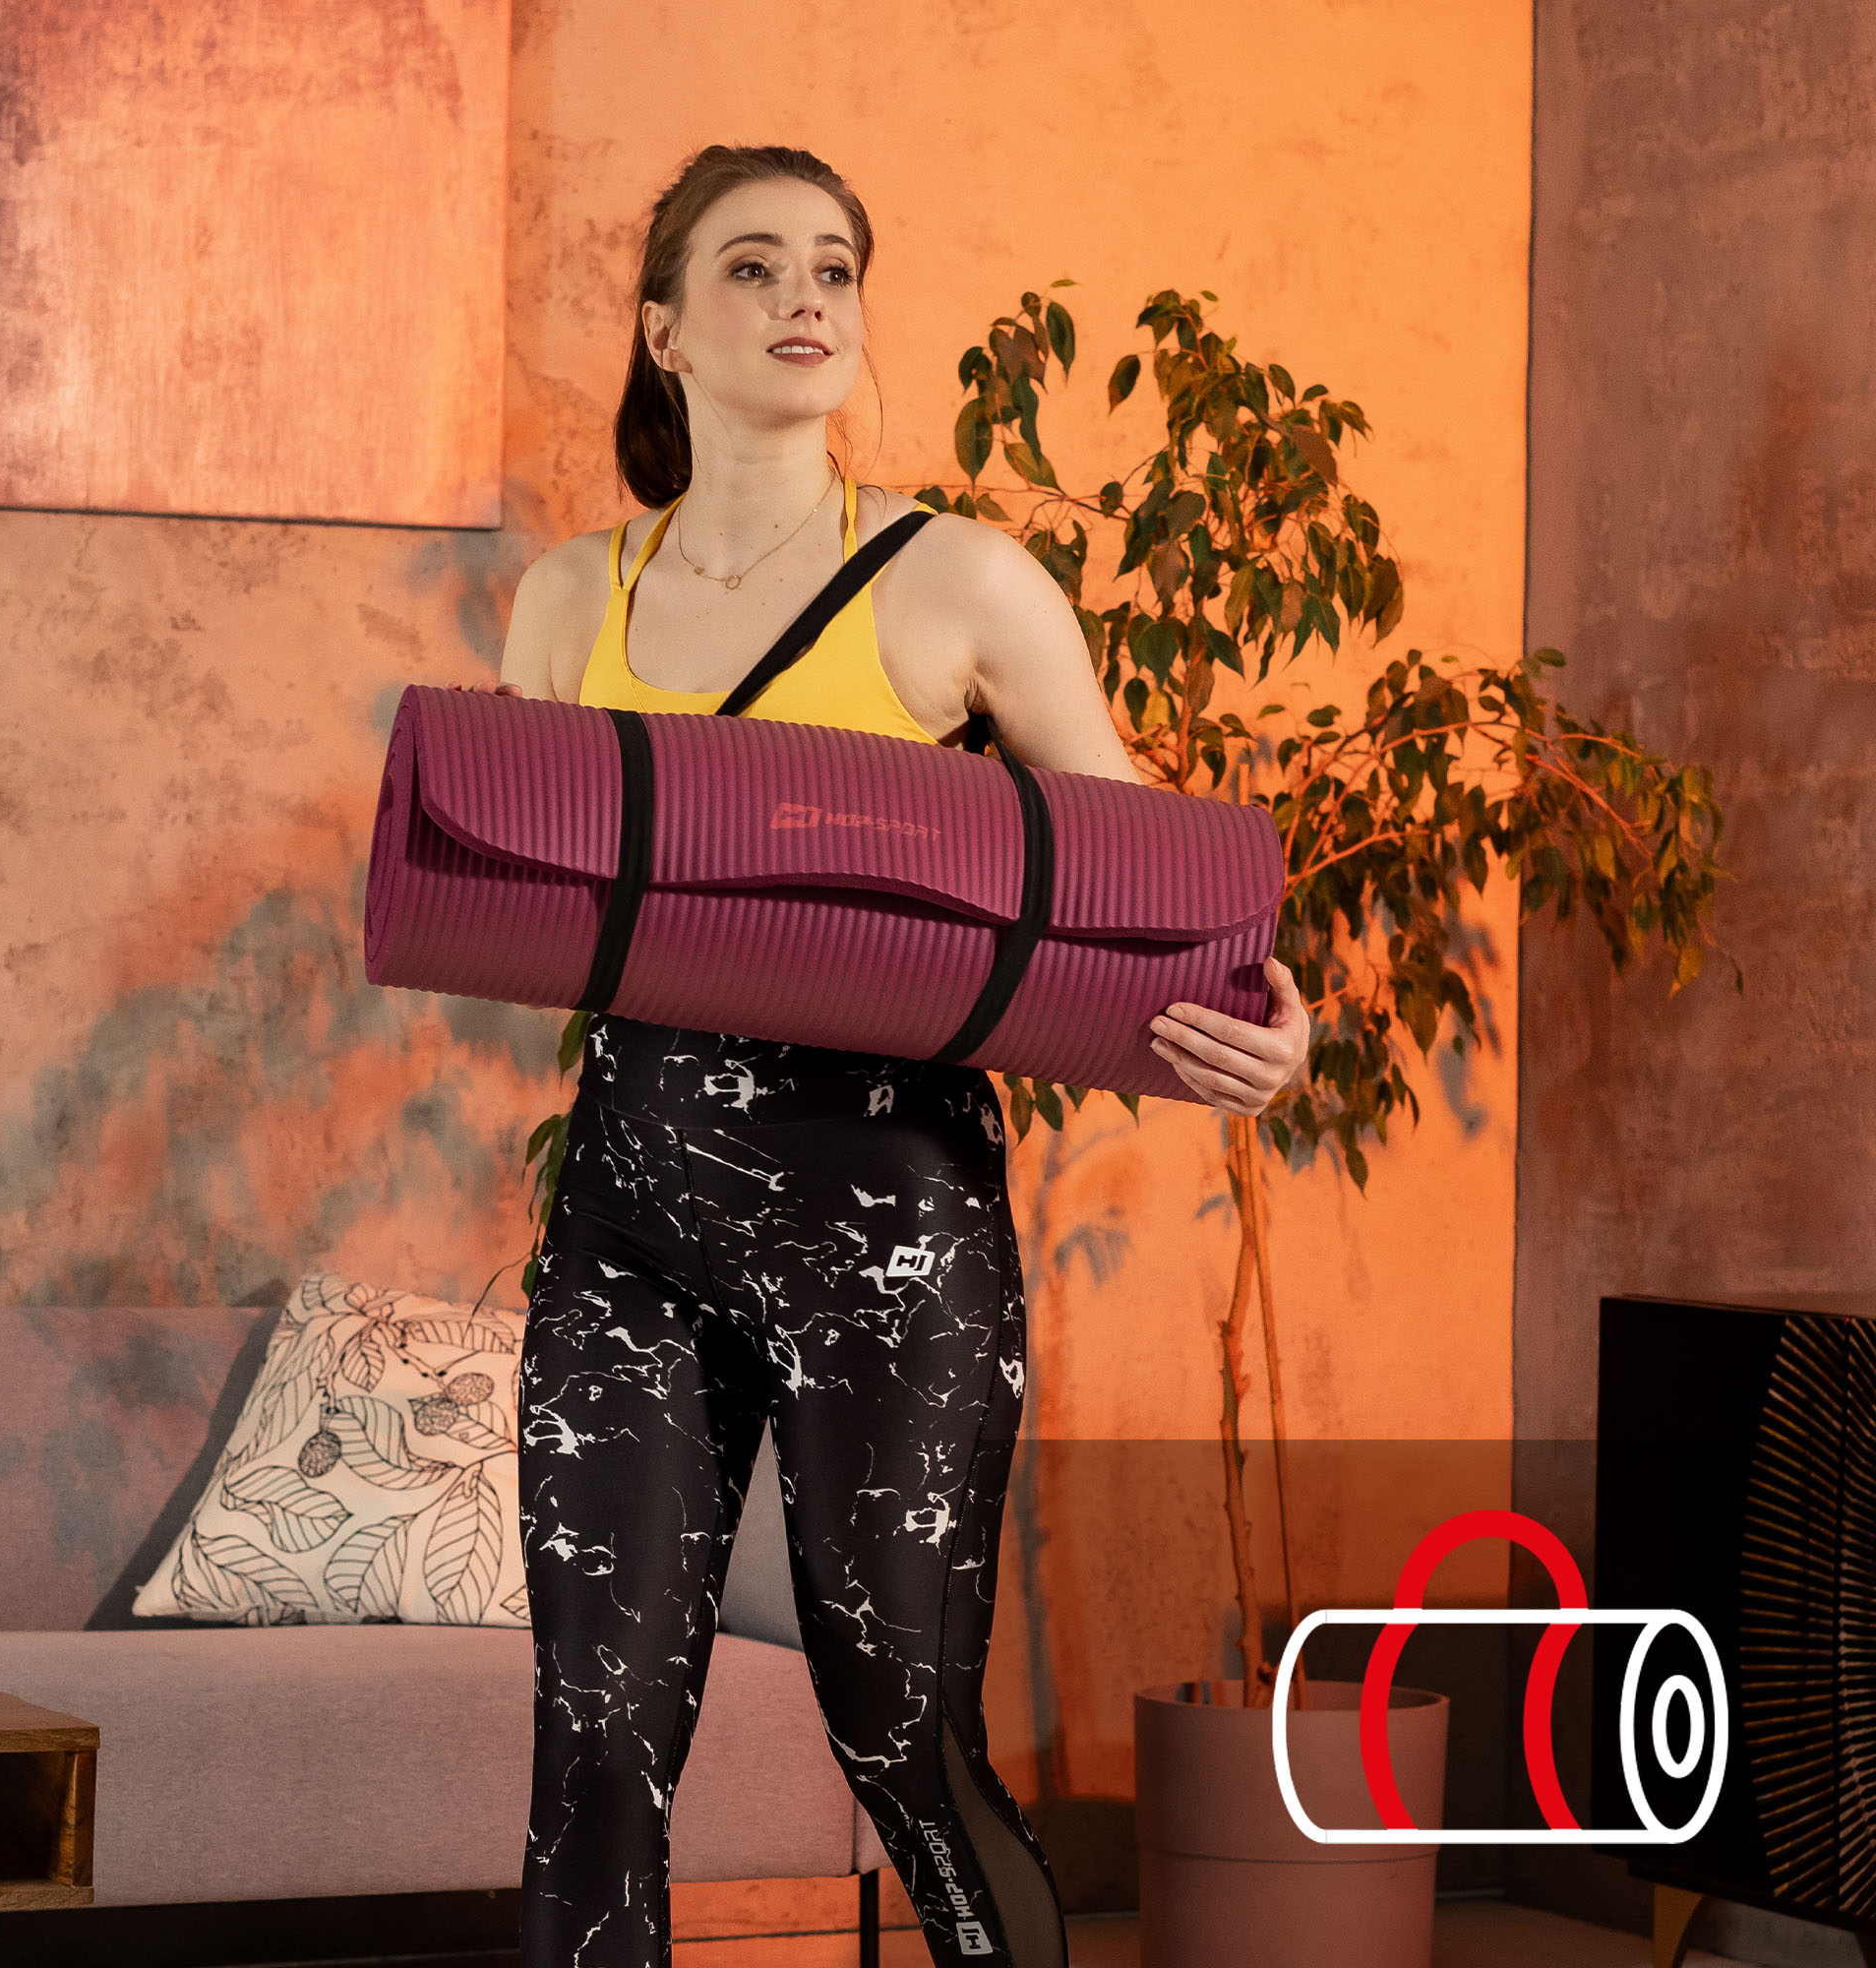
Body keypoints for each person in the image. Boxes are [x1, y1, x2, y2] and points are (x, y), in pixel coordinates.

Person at [465, 144, 1310, 1968]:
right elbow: (540, 912)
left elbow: (1145, 883)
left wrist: (1270, 1018)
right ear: (664, 328)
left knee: (900, 1739)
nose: (804, 297)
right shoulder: (566, 599)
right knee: (595, 1741)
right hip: (629, 1218)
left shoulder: (965, 584)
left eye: (834, 268)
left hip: (892, 1232)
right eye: (753, 265)